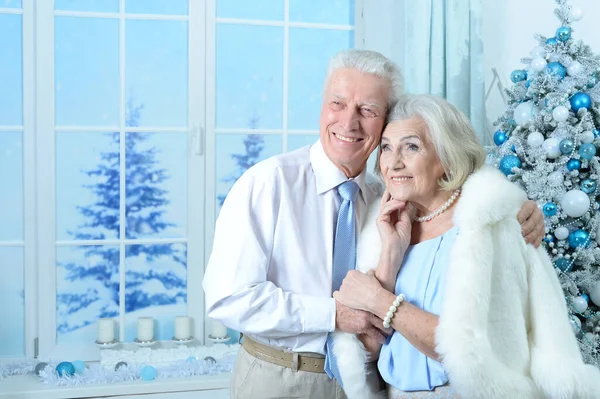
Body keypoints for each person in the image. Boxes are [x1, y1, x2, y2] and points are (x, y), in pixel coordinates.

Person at [202, 49, 545, 399]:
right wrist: (334, 314)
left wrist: (513, 205)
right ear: (322, 105)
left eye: (367, 110)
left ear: (384, 122)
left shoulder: (389, 199)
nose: (349, 122)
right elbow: (228, 298)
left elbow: (451, 177)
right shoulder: (268, 183)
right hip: (282, 377)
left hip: (366, 384)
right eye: (338, 103)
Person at [333, 94, 600, 399]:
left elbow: (472, 349)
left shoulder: (489, 227)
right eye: (386, 148)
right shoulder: (383, 229)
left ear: (447, 157)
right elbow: (367, 349)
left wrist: (378, 300)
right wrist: (390, 257)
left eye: (412, 146)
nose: (393, 163)